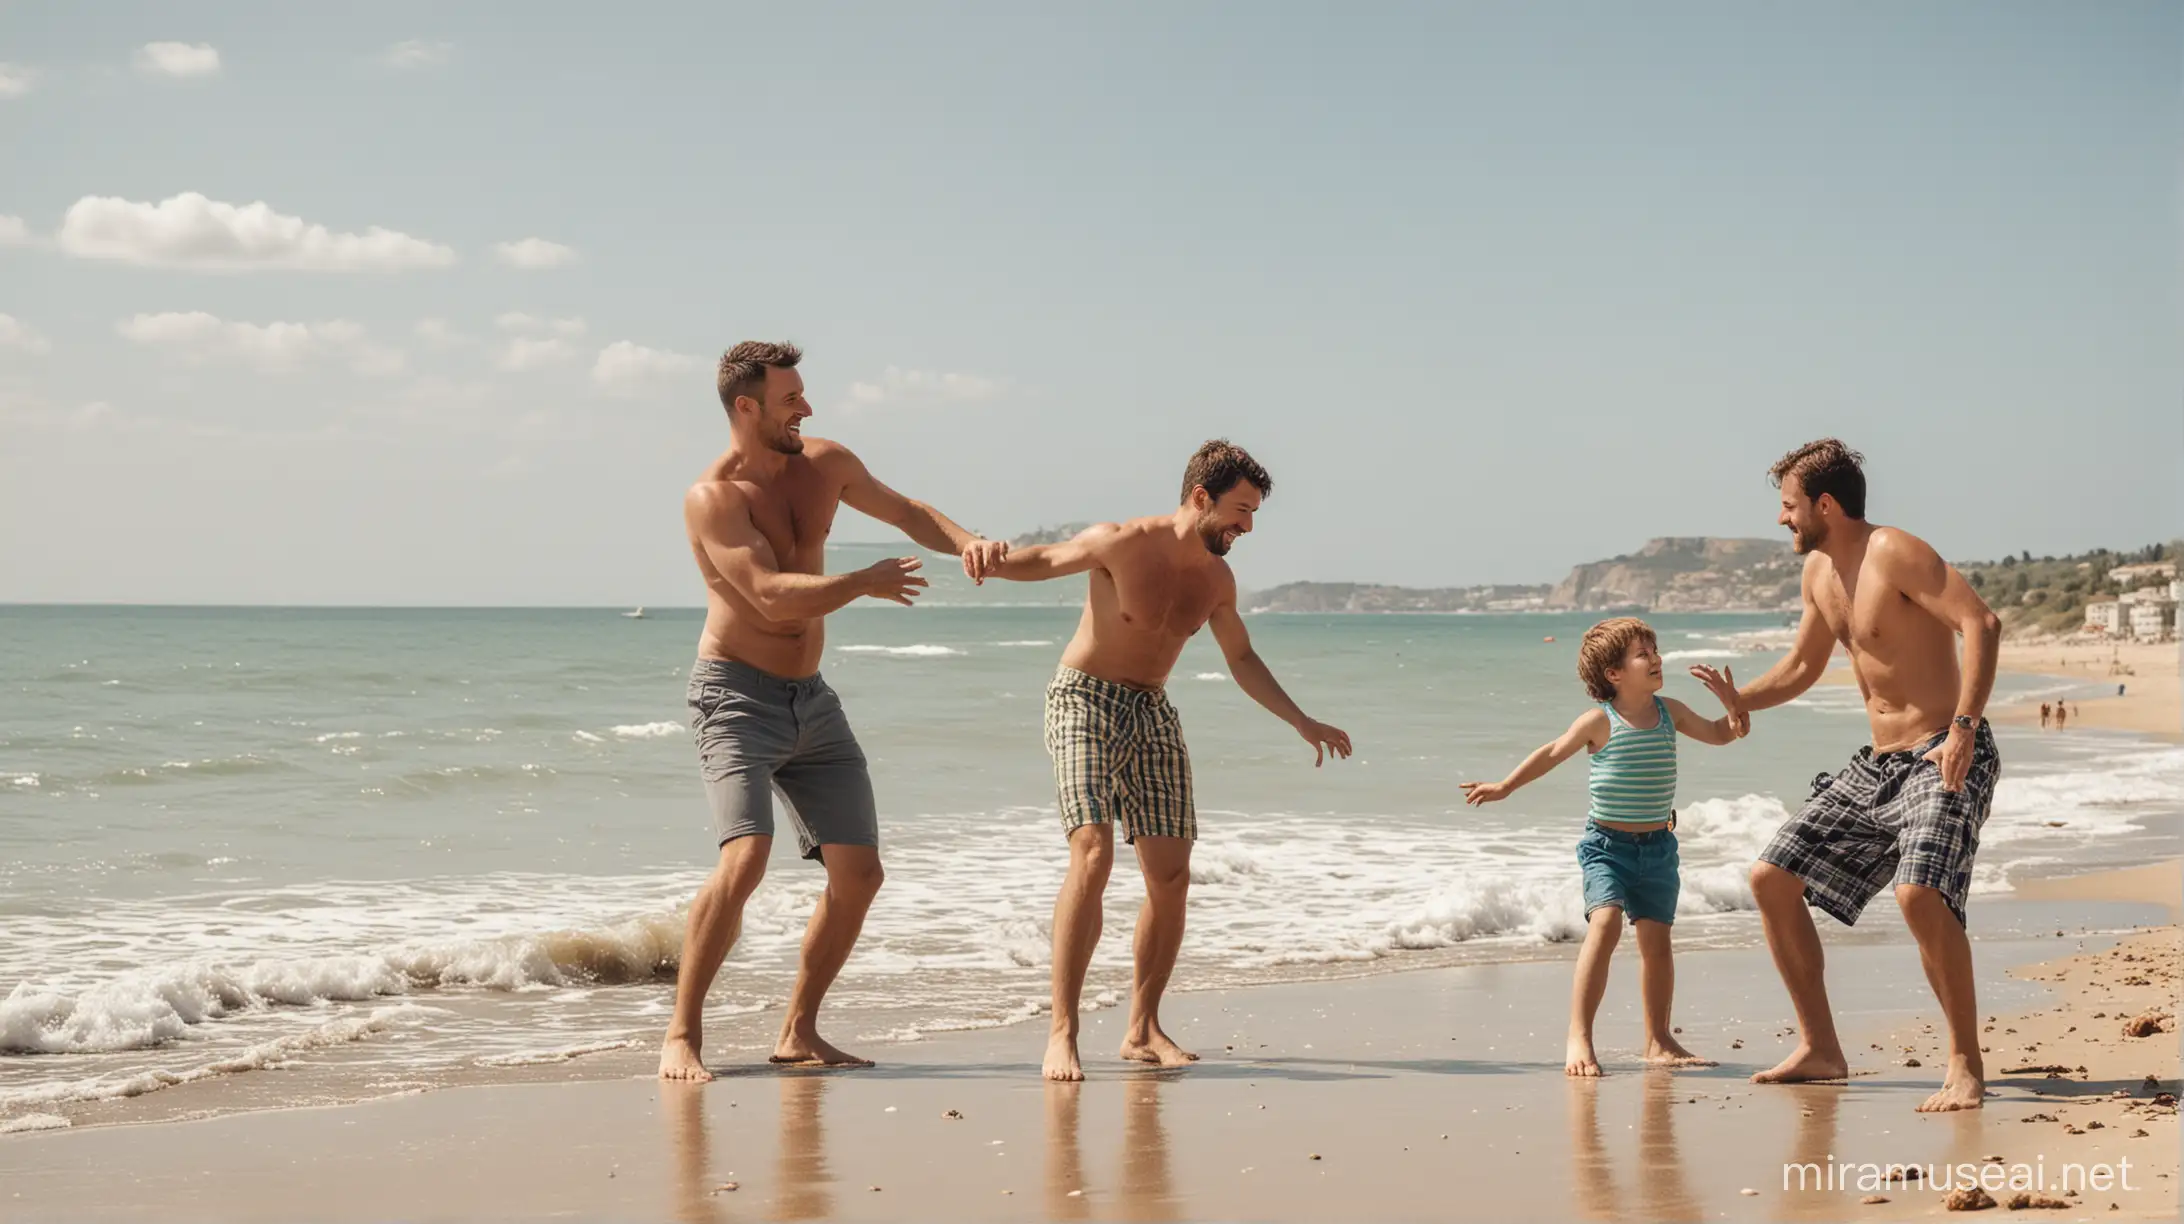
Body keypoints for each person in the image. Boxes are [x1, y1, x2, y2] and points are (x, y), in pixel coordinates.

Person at [661, 340, 1009, 1081]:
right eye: (792, 400)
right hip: (734, 696)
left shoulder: (826, 464)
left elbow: (905, 509)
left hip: (811, 701)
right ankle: (682, 1035)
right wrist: (863, 583)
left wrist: (966, 540)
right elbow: (764, 592)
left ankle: (798, 1030)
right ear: (746, 406)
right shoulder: (713, 498)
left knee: (860, 874)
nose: (808, 410)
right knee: (745, 857)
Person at [983, 440, 1353, 1080]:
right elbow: (1040, 560)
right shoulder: (1121, 541)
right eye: (1240, 510)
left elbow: (1240, 657)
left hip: (1151, 709)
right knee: (1093, 850)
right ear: (1200, 497)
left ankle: (1143, 1028)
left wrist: (1302, 720)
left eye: (1255, 513)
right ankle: (1062, 1032)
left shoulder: (1217, 579)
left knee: (1172, 873)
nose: (1248, 526)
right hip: (1082, 698)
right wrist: (985, 555)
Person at [1729, 439, 2002, 1113]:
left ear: (1825, 504)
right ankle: (1821, 1048)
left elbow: (1981, 623)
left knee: (1919, 895)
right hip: (1879, 764)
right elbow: (1801, 667)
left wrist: (1965, 728)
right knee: (1771, 877)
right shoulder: (1820, 575)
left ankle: (1965, 1063)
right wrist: (1739, 702)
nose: (1782, 520)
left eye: (1788, 506)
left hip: (1944, 749)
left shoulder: (1894, 552)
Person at [1461, 618, 1745, 1076]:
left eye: (1655, 649)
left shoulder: (1671, 711)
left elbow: (1721, 733)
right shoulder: (1600, 721)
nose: (1655, 658)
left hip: (1658, 847)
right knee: (1607, 922)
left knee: (1657, 943)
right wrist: (1506, 786)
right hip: (1606, 847)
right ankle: (1580, 1037)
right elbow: (1553, 752)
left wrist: (1735, 710)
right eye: (1642, 653)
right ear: (1614, 674)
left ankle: (1659, 1039)